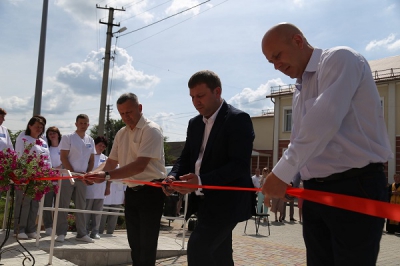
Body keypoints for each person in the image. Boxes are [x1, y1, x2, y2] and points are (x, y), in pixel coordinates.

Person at [261, 23, 393, 265]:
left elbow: (323, 122)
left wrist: (281, 174)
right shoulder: (301, 88)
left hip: (354, 186)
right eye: (271, 61)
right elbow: (303, 139)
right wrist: (291, 182)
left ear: (298, 41)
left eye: (277, 55)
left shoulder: (340, 59)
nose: (276, 65)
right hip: (315, 193)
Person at [163, 70, 255, 266]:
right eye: (192, 97)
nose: (196, 102)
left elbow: (238, 166)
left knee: (198, 248)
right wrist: (172, 176)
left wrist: (201, 181)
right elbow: (186, 157)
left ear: (217, 92)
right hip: (203, 202)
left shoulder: (238, 120)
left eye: (200, 95)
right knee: (219, 256)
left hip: (227, 203)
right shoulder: (194, 123)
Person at [84, 93, 166, 266]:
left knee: (147, 243)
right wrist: (92, 173)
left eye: (129, 112)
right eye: (121, 113)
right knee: (134, 242)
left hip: (151, 191)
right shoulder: (122, 133)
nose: (125, 117)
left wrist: (105, 176)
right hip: (132, 191)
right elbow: (111, 162)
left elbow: (139, 165)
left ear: (140, 108)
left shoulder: (151, 130)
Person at [55, 114, 95, 243]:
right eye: (81, 123)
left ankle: (82, 233)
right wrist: (72, 172)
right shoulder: (68, 137)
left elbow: (91, 159)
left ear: (88, 124)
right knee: (63, 204)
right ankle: (61, 232)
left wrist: (88, 174)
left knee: (81, 205)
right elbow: (63, 157)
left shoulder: (90, 140)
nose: (83, 125)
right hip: (68, 175)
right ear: (76, 124)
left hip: (82, 177)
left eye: (85, 123)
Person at [14, 116, 50, 239]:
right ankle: (20, 229)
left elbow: (48, 159)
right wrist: (23, 174)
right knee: (24, 203)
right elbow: (19, 157)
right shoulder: (22, 138)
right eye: (36, 127)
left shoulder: (43, 141)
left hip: (40, 177)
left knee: (35, 204)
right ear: (30, 126)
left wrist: (48, 173)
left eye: (41, 127)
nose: (39, 129)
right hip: (26, 175)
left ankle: (31, 229)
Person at [85, 136, 108, 239]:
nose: (101, 147)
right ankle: (84, 230)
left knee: (98, 212)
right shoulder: (89, 156)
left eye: (103, 146)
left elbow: (108, 175)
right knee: (87, 211)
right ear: (95, 144)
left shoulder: (105, 159)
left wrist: (108, 187)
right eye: (100, 145)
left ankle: (95, 231)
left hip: (100, 189)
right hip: (89, 188)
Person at [43, 126, 62, 236]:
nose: (52, 135)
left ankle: (58, 227)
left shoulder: (63, 147)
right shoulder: (47, 147)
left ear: (58, 134)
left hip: (61, 179)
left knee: (59, 205)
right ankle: (48, 226)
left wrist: (61, 167)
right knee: (47, 204)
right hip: (49, 180)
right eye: (50, 133)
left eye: (54, 133)